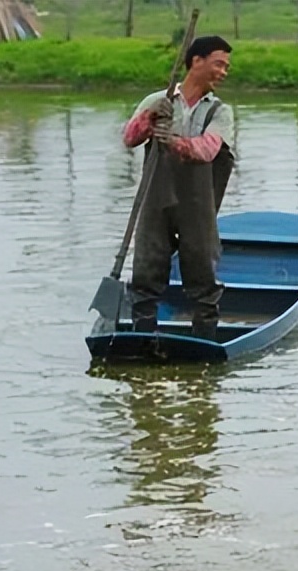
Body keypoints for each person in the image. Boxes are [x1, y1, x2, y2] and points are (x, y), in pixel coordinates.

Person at [121, 35, 236, 341]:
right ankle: (142, 337)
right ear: (196, 61)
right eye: (219, 64)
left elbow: (207, 150)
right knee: (147, 266)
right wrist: (149, 119)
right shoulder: (157, 101)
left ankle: (204, 340)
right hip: (155, 198)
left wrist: (171, 140)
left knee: (202, 271)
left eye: (226, 67)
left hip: (198, 204)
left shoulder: (219, 112)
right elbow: (129, 139)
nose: (223, 72)